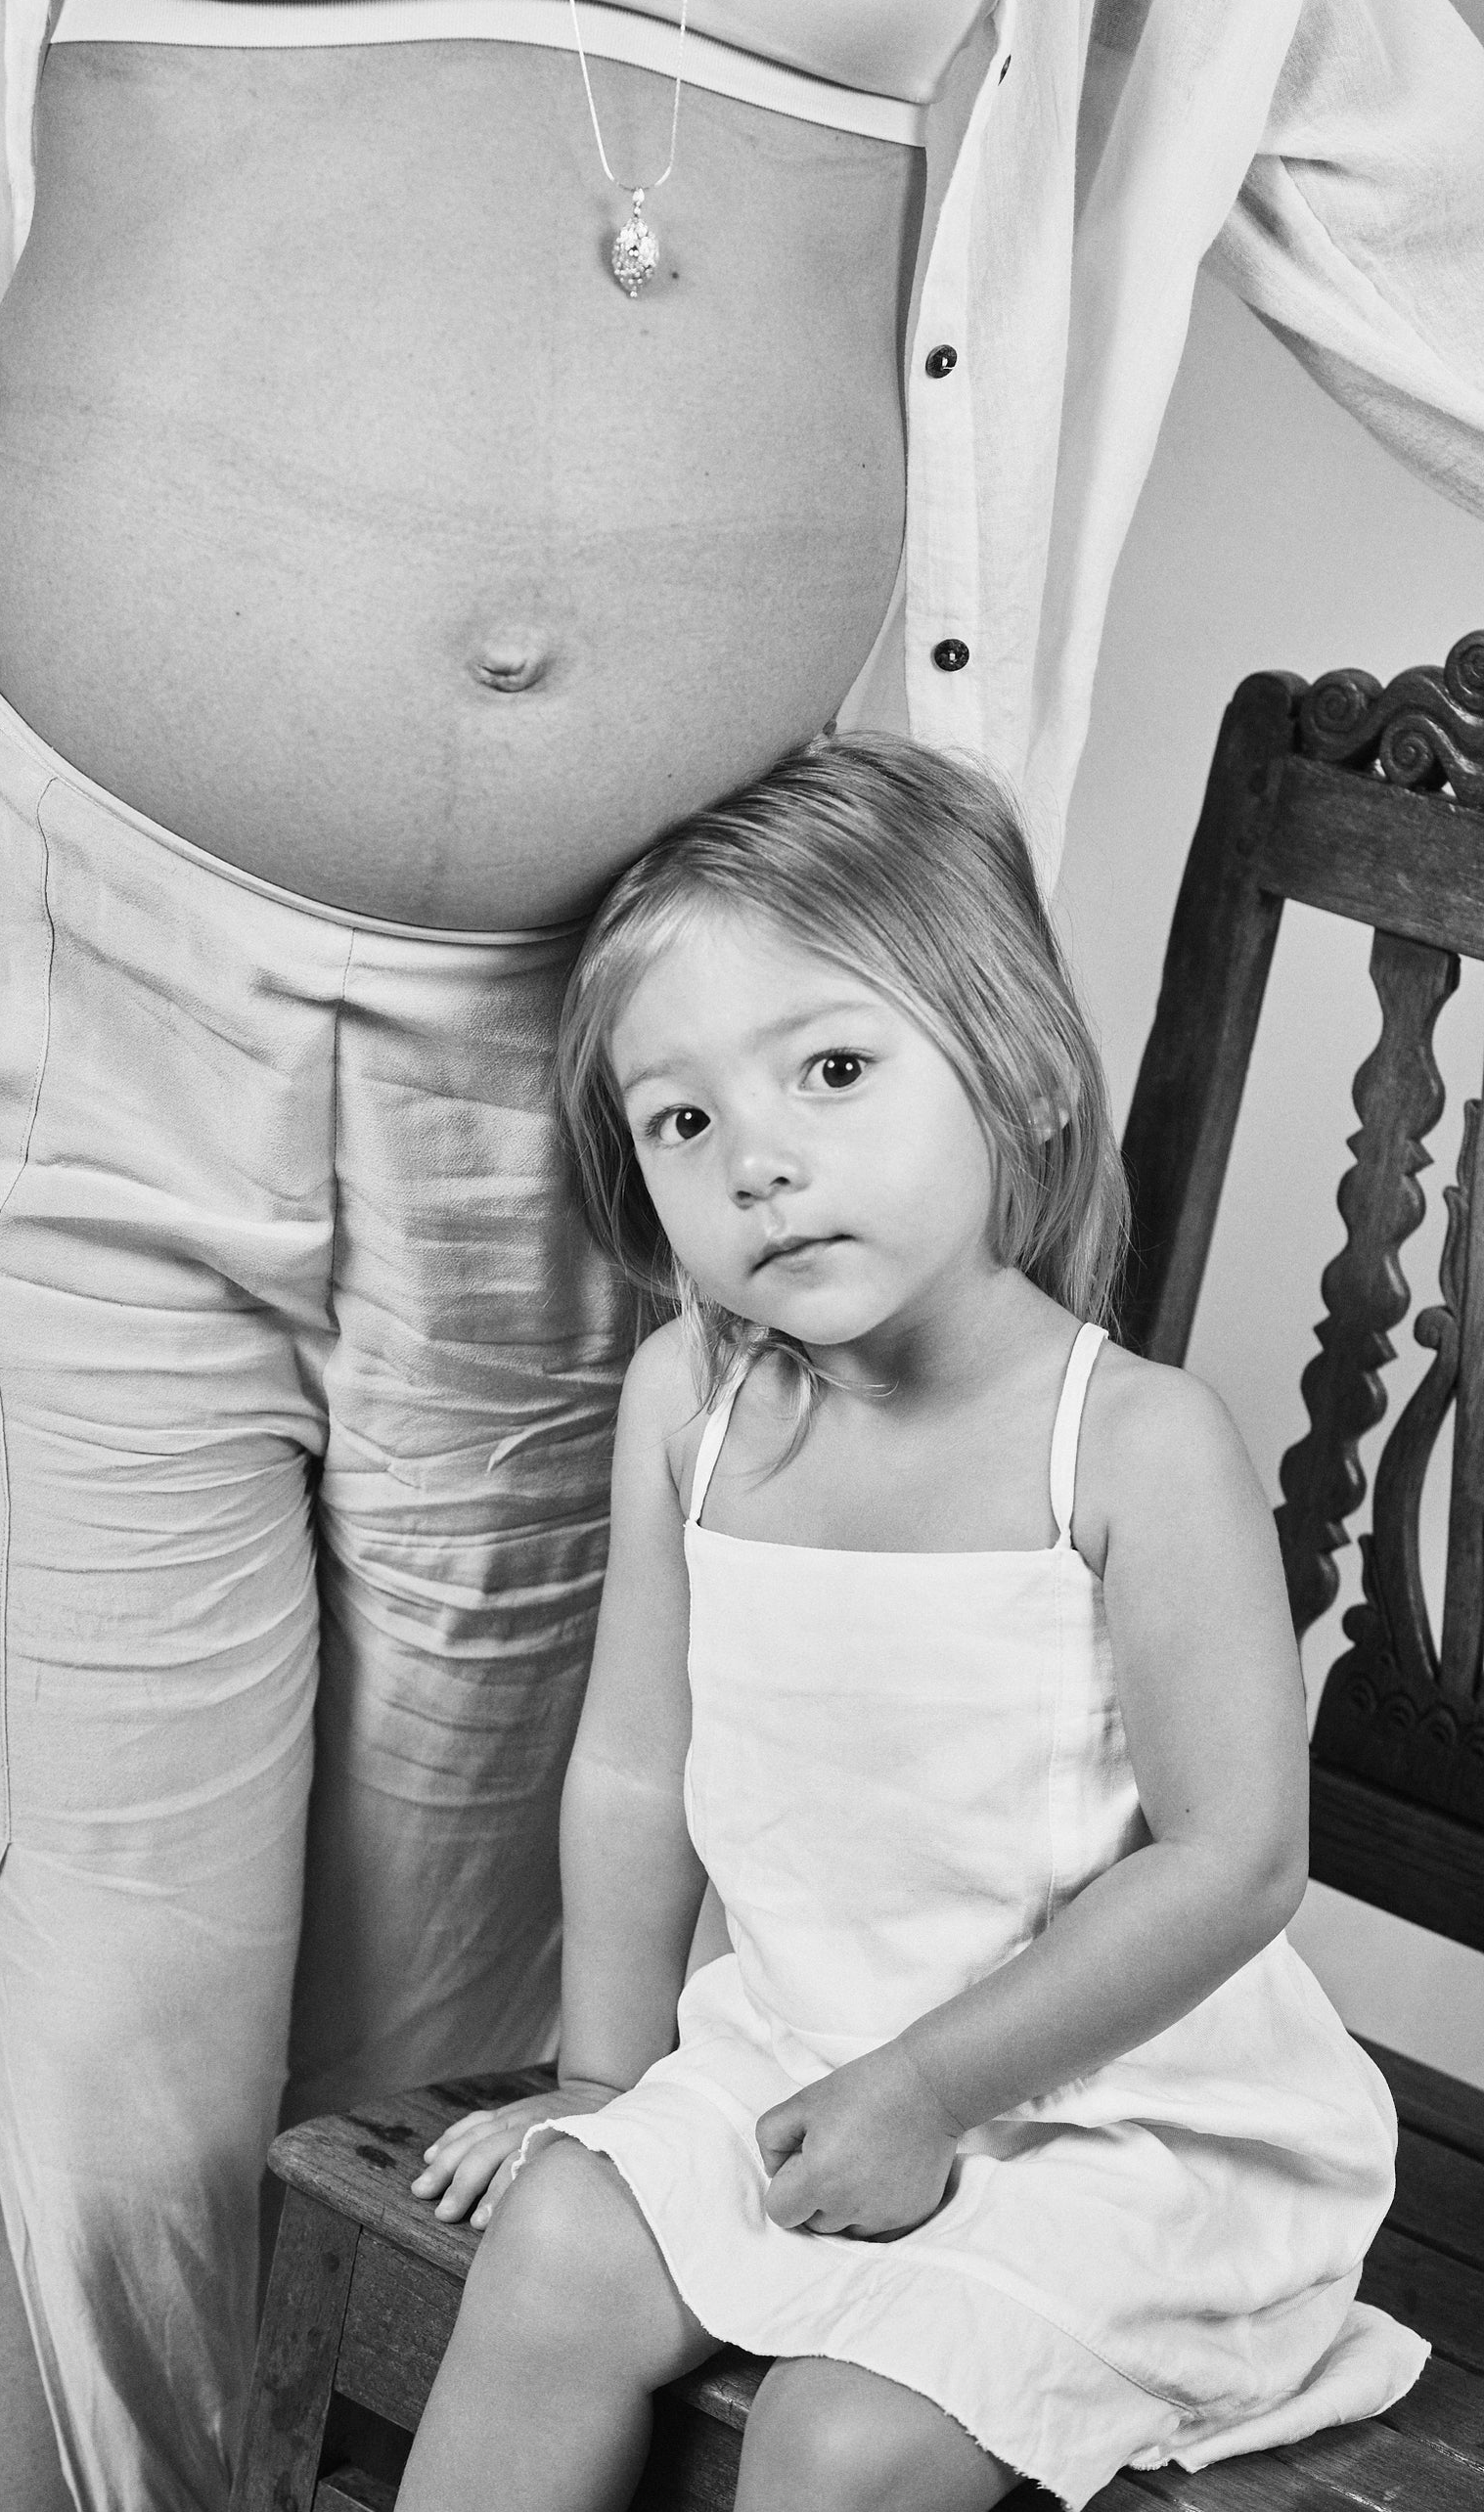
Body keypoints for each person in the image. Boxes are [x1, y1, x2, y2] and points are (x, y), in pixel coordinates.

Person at [0, 0, 1480, 2506]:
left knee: (475, 2001)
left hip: (660, 1121)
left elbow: (1398, 169)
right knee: (89, 2008)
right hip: (75, 970)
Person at [399, 736, 1427, 2512]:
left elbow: (1237, 1863)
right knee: (558, 2250)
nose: (760, 1163)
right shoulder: (689, 1404)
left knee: (846, 2434)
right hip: (799, 2039)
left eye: (836, 1068)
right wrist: (601, 2073)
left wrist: (932, 2092)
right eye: (685, 1119)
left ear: (1015, 1076)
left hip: (1117, 2108)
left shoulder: (1130, 1448)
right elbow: (640, 1769)